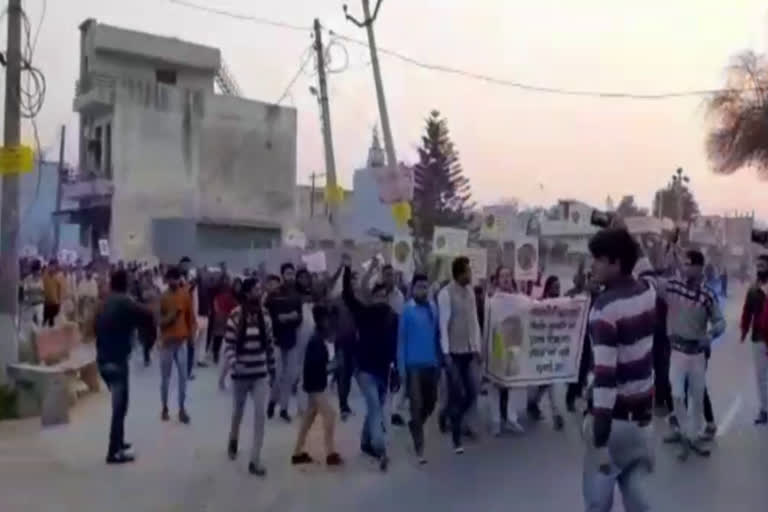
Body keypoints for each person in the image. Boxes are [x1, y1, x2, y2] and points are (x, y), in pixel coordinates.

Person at [583, 228, 656, 512]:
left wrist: (599, 438)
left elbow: (604, 377)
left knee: (598, 502)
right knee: (636, 492)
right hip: (643, 421)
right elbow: (647, 269)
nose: (593, 265)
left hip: (613, 423)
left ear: (616, 263)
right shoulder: (647, 291)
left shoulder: (605, 309)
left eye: (598, 259)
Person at [656, 249, 725, 459]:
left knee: (696, 397)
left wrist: (712, 334)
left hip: (697, 354)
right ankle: (686, 434)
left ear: (698, 267)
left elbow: (720, 321)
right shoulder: (672, 287)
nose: (684, 268)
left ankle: (691, 436)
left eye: (688, 264)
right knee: (676, 395)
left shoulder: (708, 295)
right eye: (683, 264)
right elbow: (649, 276)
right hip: (676, 352)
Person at [342, 257, 398, 471]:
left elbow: (396, 346)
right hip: (364, 370)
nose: (382, 299)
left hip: (384, 372)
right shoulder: (363, 313)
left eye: (385, 295)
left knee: (374, 408)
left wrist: (397, 371)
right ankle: (380, 449)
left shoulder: (393, 318)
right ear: (372, 298)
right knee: (375, 408)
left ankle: (366, 442)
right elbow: (348, 295)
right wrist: (347, 268)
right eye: (378, 295)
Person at [95, 269, 155, 464]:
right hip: (117, 360)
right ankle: (113, 452)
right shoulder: (124, 301)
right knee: (119, 408)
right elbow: (147, 315)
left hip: (103, 359)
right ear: (126, 283)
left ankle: (119, 442)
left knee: (120, 405)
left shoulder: (106, 302)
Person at [224, 278, 276, 477]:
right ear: (247, 293)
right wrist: (234, 363)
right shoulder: (235, 315)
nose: (259, 291)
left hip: (260, 374)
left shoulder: (265, 315)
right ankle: (233, 439)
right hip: (240, 375)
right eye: (255, 289)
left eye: (259, 288)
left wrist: (272, 370)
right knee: (238, 412)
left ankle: (255, 460)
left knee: (260, 416)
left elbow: (270, 344)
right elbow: (228, 345)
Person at [437, 256, 482, 454]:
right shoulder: (446, 294)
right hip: (452, 355)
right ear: (460, 273)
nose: (471, 275)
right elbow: (443, 325)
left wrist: (477, 348)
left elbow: (473, 323)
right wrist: (445, 353)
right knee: (459, 394)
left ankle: (445, 413)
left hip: (467, 352)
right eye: (468, 271)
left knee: (472, 392)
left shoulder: (470, 292)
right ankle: (456, 438)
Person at [292, 304, 343, 467]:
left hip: (314, 385)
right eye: (328, 319)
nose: (331, 322)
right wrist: (334, 365)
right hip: (316, 386)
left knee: (308, 418)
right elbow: (317, 367)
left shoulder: (317, 338)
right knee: (330, 415)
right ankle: (330, 453)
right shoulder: (316, 341)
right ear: (322, 320)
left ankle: (297, 452)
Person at [398, 273, 441, 464]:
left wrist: (440, 361)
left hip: (431, 364)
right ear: (413, 288)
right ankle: (419, 449)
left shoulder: (433, 308)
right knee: (416, 405)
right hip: (412, 366)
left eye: (426, 287)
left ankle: (415, 426)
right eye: (420, 287)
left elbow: (437, 336)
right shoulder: (407, 310)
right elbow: (401, 341)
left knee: (431, 402)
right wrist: (401, 369)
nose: (423, 290)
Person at [487, 266, 526, 435]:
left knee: (515, 383)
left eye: (508, 275)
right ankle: (496, 421)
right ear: (497, 280)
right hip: (497, 345)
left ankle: (511, 418)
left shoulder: (520, 299)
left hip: (515, 345)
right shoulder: (492, 301)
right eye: (502, 276)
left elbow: (537, 307)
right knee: (495, 384)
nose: (505, 279)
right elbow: (488, 327)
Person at [526, 276, 565, 431]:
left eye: (559, 286)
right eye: (555, 286)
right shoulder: (540, 303)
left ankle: (556, 413)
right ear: (548, 288)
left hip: (553, 349)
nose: (557, 289)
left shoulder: (563, 305)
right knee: (539, 383)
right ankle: (532, 403)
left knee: (551, 381)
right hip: (539, 349)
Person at [158, 266, 197, 424]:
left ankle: (181, 409)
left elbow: (191, 318)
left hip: (181, 342)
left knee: (183, 378)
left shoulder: (185, 295)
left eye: (176, 278)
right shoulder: (163, 297)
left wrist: (192, 337)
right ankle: (165, 407)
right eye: (171, 279)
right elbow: (159, 322)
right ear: (167, 280)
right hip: (167, 342)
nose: (173, 281)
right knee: (165, 378)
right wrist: (172, 316)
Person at [266, 263, 303, 422]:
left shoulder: (296, 294)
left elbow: (299, 315)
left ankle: (284, 408)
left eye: (292, 274)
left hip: (292, 338)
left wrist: (292, 317)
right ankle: (273, 400)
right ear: (282, 275)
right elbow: (267, 316)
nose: (291, 276)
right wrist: (281, 318)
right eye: (288, 273)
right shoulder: (274, 295)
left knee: (290, 376)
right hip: (277, 339)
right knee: (279, 375)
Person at [743, 254, 768, 425]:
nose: (759, 268)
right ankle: (765, 409)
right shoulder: (753, 288)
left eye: (763, 265)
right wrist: (744, 329)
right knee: (761, 377)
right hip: (759, 338)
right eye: (758, 265)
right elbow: (748, 310)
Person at [42, 260, 63, 326]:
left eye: (54, 266)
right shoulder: (44, 277)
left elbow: (59, 291)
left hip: (54, 304)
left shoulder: (57, 277)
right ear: (48, 266)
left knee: (52, 323)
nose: (52, 268)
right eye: (51, 266)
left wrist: (59, 302)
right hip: (46, 304)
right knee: (43, 322)